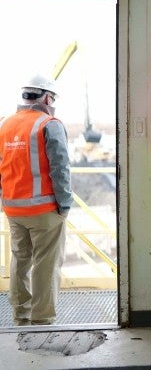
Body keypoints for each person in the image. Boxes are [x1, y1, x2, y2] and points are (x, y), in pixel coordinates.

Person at [0, 74, 73, 326]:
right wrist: (64, 205)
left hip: (13, 208)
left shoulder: (5, 124)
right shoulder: (49, 124)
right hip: (44, 210)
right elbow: (60, 169)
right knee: (46, 265)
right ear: (46, 97)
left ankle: (20, 315)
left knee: (20, 261)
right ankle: (42, 320)